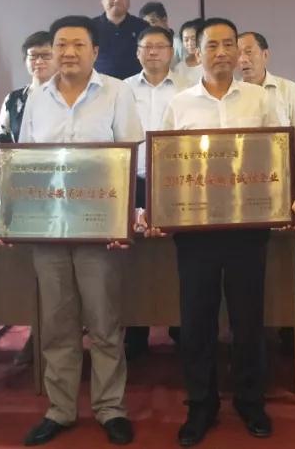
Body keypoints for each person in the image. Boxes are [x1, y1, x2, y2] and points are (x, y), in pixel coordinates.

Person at [16, 15, 143, 446]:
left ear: (95, 51)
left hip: (98, 227)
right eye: (60, 45)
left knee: (104, 322)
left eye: (77, 45)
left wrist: (121, 219)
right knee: (57, 323)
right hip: (49, 227)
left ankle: (110, 408)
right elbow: (26, 161)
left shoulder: (116, 92)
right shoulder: (37, 98)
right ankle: (60, 409)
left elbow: (129, 159)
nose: (68, 53)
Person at [159, 18, 279, 446]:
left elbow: (277, 154)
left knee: (248, 319)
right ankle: (201, 404)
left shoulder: (260, 99)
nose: (223, 52)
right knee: (197, 320)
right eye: (213, 45)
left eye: (231, 45)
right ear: (197, 52)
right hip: (196, 231)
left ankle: (250, 401)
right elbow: (166, 163)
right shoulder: (179, 104)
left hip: (248, 227)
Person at [122, 25, 191, 359]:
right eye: (146, 46)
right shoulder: (120, 91)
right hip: (131, 183)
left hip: (175, 184)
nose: (153, 52)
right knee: (131, 259)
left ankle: (181, 327)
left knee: (180, 255)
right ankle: (135, 332)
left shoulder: (188, 89)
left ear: (171, 52)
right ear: (137, 52)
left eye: (160, 46)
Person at [237, 31, 295, 127]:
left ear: (265, 55)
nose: (242, 59)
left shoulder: (289, 89)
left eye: (248, 52)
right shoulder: (233, 94)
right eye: (237, 54)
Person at [0, 31, 55, 144]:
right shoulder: (13, 99)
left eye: (46, 55)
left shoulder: (66, 97)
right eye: (33, 56)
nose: (39, 61)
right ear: (25, 60)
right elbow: (2, 140)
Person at [93, 0, 148, 79]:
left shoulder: (143, 26)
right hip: (100, 83)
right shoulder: (90, 26)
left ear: (129, 1)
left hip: (134, 84)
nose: (117, 0)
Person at [176, 17, 204, 84]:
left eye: (193, 39)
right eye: (186, 40)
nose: (190, 43)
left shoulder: (208, 64)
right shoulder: (179, 68)